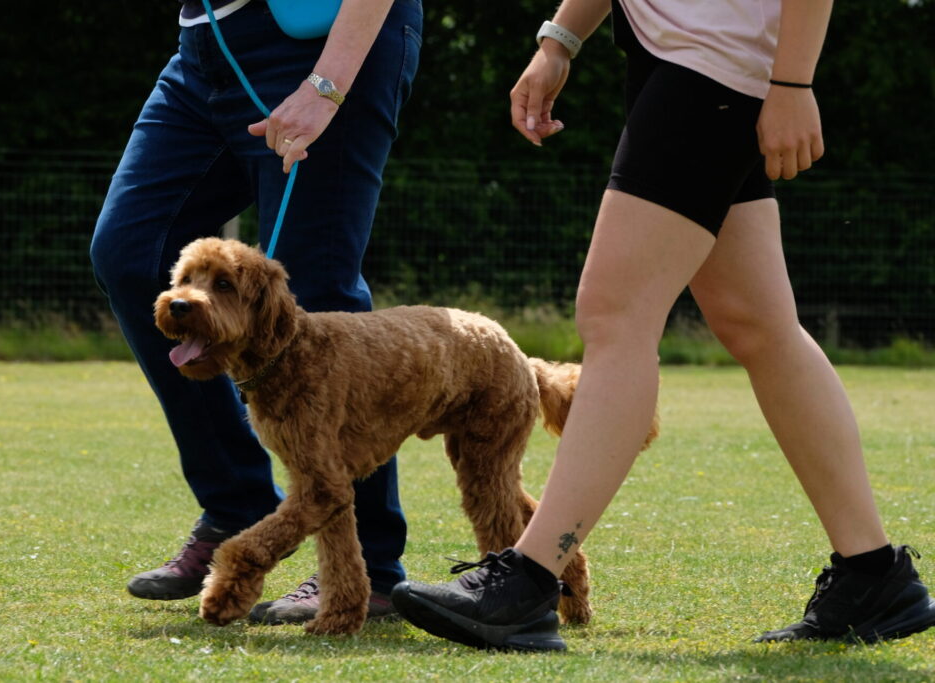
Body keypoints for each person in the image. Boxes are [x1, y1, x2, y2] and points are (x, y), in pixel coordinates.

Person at [390, 0, 935, 651]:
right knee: (758, 324)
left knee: (615, 315)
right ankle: (874, 573)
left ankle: (530, 577)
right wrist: (560, 39)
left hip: (716, 64)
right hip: (679, 57)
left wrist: (794, 82)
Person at [90, 0, 422, 623]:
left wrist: (327, 85)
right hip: (203, 44)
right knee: (132, 252)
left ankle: (369, 568)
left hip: (321, 41)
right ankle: (238, 502)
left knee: (316, 292)